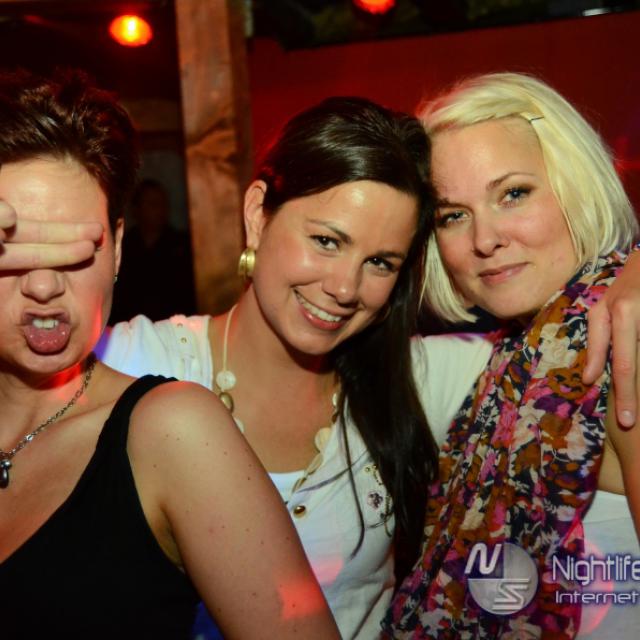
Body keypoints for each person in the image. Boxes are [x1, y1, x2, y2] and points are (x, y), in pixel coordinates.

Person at [0, 68, 340, 640]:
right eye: (13, 250)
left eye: (75, 251)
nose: (43, 286)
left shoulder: (173, 432)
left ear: (118, 248)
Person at [384, 72, 640, 639]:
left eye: (513, 194)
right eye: (453, 215)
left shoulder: (622, 338)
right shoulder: (513, 359)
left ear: (575, 184)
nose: (485, 239)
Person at [109, 178, 196, 323]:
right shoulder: (123, 246)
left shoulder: (181, 246)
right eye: (153, 204)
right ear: (136, 209)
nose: (160, 210)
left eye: (163, 203)